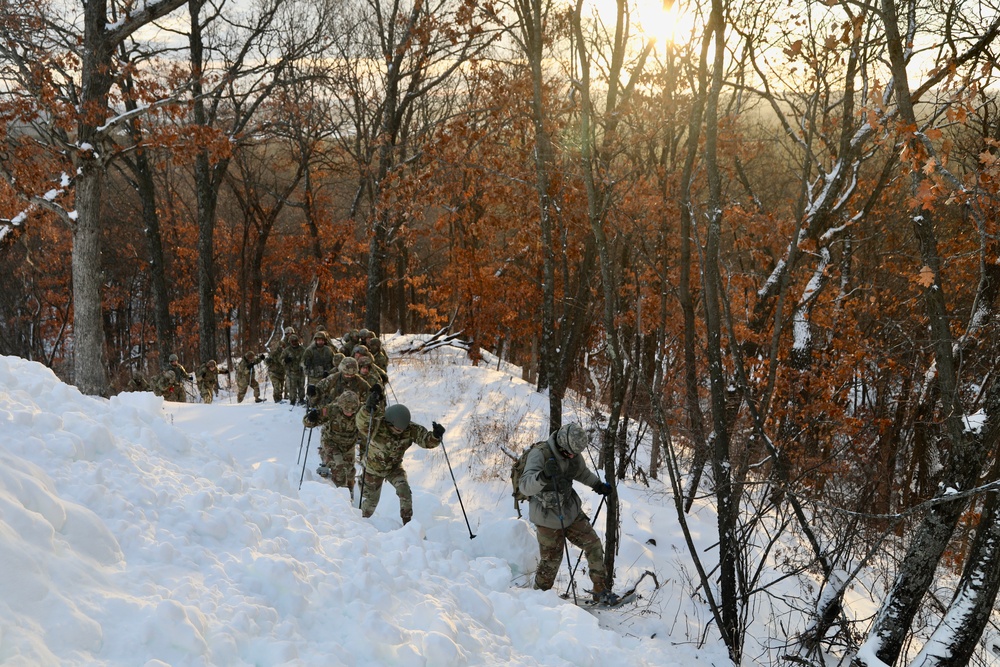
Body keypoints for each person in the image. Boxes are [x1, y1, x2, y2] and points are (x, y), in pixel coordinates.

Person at [518, 422, 615, 604]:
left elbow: (581, 472)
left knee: (593, 545)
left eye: (575, 454)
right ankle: (537, 601)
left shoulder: (573, 453)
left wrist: (597, 485)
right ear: (562, 445)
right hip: (546, 517)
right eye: (569, 453)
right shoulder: (540, 454)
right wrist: (544, 476)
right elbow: (525, 486)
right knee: (550, 563)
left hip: (570, 511)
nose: (572, 456)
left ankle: (600, 590)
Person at [355, 385, 444, 525]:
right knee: (371, 502)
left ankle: (408, 525)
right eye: (397, 429)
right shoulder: (378, 424)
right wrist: (367, 409)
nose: (400, 431)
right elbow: (361, 423)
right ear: (389, 423)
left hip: (394, 467)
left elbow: (426, 441)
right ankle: (359, 523)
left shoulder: (409, 429)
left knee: (405, 492)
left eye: (402, 429)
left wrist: (436, 436)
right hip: (373, 469)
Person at [304, 390, 362, 498]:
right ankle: (342, 497)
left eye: (352, 411)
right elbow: (308, 422)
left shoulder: (361, 412)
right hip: (331, 443)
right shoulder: (331, 410)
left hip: (349, 446)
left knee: (350, 472)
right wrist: (311, 417)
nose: (349, 413)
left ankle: (350, 494)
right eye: (346, 410)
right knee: (339, 468)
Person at [283, 332, 306, 405]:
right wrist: (285, 361)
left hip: (300, 371)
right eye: (292, 341)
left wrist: (305, 365)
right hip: (291, 371)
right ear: (290, 342)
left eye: (295, 341)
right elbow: (281, 359)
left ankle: (301, 398)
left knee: (301, 386)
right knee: (292, 388)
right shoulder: (287, 350)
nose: (294, 343)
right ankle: (292, 400)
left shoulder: (302, 349)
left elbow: (306, 357)